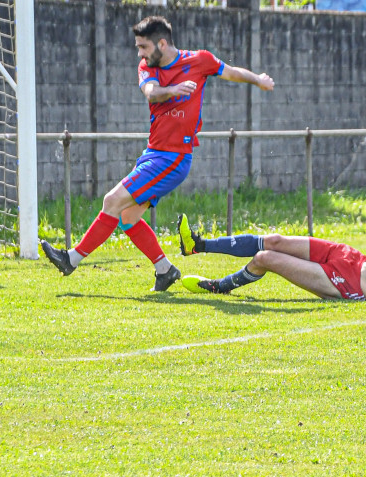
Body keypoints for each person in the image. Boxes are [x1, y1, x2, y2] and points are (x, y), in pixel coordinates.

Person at [40, 15, 274, 291]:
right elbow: (151, 92)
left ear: (162, 43)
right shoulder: (147, 67)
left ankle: (71, 259)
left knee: (111, 200)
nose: (140, 53)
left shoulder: (199, 61)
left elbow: (232, 71)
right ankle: (165, 270)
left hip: (172, 158)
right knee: (127, 217)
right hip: (154, 153)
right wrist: (173, 90)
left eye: (144, 47)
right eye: (138, 47)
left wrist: (258, 79)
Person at [178, 158, 366, 305]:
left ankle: (219, 286)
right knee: (274, 240)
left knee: (265, 257)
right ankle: (198, 245)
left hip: (349, 283)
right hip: (352, 257)